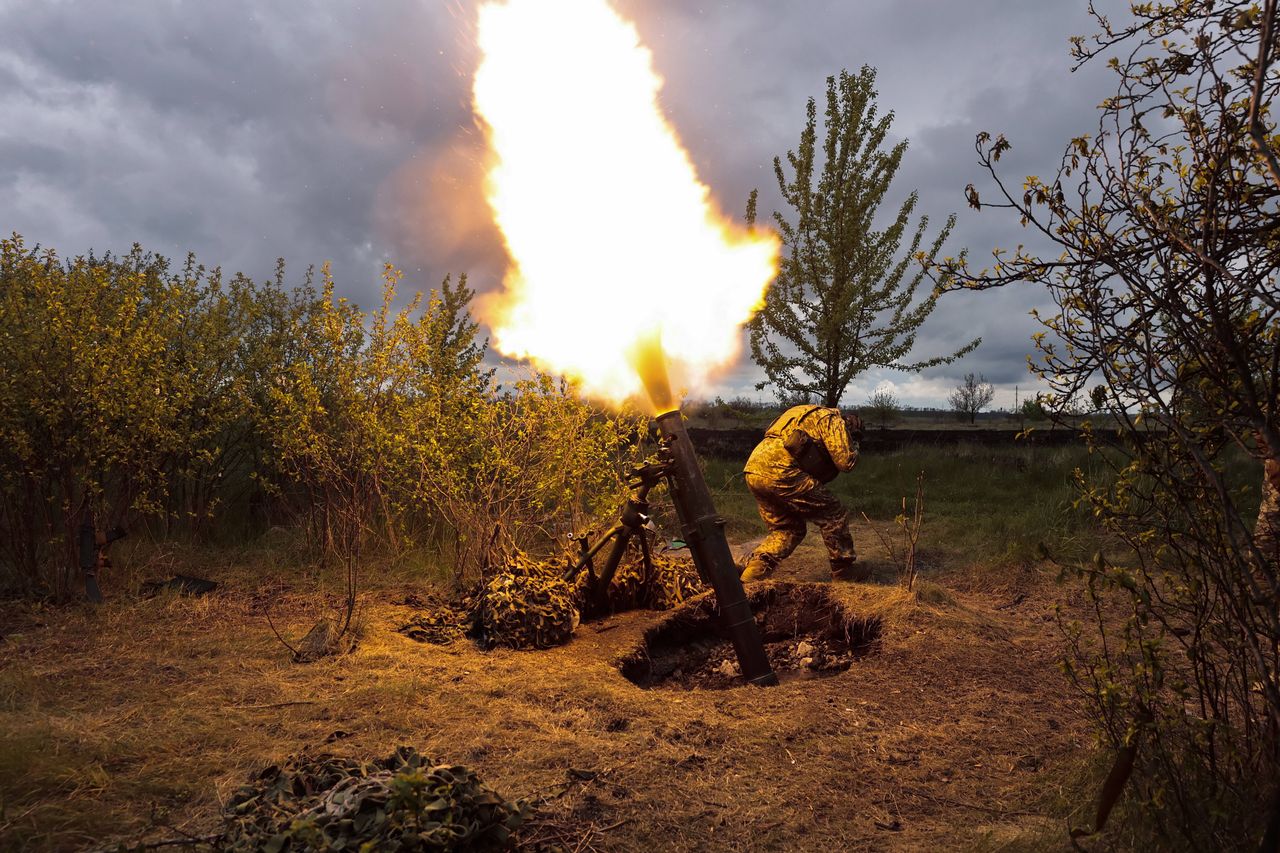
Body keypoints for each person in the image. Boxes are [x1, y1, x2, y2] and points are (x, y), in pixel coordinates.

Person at [740, 405, 865, 582]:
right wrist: (856, 443)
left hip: (754, 468)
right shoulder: (832, 419)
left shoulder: (801, 412)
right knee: (834, 513)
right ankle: (843, 570)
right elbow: (846, 462)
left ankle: (754, 572)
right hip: (782, 471)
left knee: (788, 529)